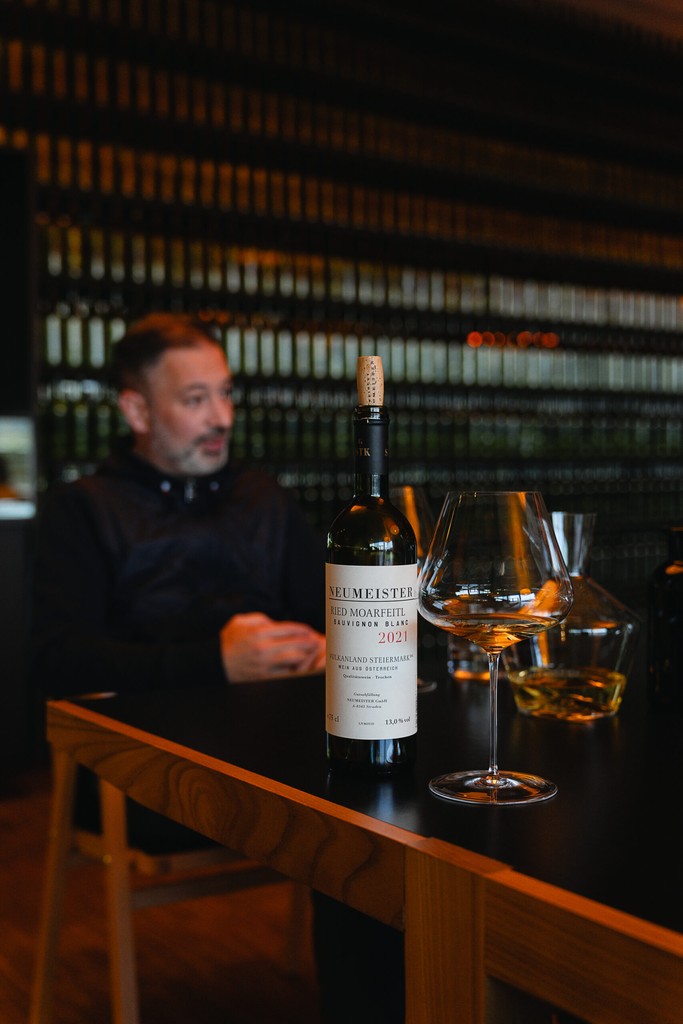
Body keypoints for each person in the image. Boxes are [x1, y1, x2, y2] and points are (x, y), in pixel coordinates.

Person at [30, 311, 404, 1023]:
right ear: (136, 410)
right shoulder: (84, 510)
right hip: (146, 771)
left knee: (383, 810)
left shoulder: (262, 498)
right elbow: (57, 662)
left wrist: (329, 645)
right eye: (195, 399)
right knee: (358, 823)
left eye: (225, 394)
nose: (222, 417)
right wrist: (216, 660)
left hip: (282, 756)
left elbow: (328, 615)